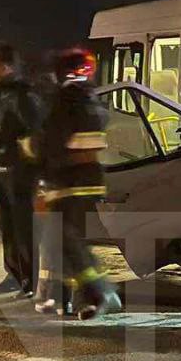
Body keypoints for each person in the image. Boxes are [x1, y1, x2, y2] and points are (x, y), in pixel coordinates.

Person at [32, 48, 122, 320]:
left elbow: (50, 143)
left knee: (66, 241)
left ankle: (101, 291)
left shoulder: (63, 100)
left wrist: (32, 154)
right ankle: (81, 300)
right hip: (90, 183)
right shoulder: (93, 100)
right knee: (69, 240)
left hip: (66, 183)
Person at [0, 43, 42, 295]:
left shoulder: (23, 96)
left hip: (18, 172)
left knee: (22, 227)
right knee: (6, 226)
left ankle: (29, 279)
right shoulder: (0, 94)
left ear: (6, 67)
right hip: (0, 168)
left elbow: (34, 135)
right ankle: (14, 275)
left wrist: (26, 164)